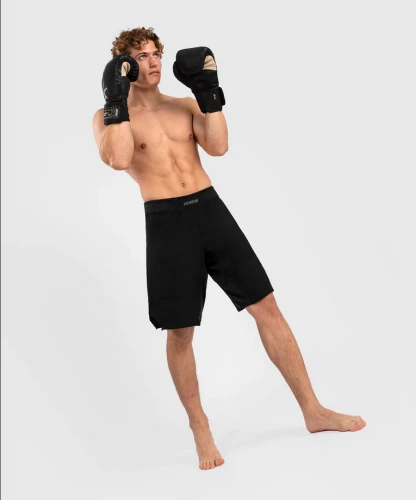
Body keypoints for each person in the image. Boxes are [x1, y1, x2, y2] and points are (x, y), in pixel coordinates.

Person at [92, 27, 366, 471]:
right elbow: (119, 158)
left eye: (156, 53)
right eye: (141, 56)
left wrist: (208, 92)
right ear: (123, 64)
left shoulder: (184, 105)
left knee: (267, 305)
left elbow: (218, 147)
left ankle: (313, 410)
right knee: (180, 332)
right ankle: (200, 426)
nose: (154, 62)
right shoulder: (107, 116)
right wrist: (115, 100)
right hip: (166, 222)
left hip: (210, 211)